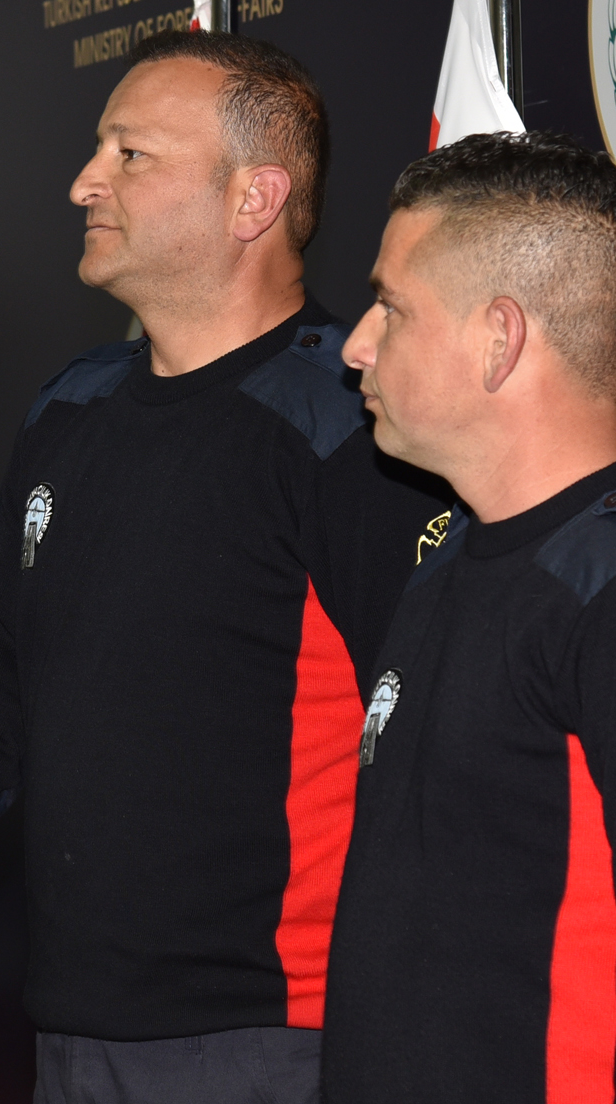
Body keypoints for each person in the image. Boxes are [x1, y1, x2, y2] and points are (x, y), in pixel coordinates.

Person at [0, 31, 449, 1102]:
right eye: (96, 149)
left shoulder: (352, 433)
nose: (84, 181)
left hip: (277, 1039)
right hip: (74, 1034)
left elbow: (440, 748)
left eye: (131, 155)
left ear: (254, 198)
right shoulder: (72, 408)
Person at [321, 132, 616, 1103]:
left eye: (392, 308)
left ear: (500, 339)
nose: (355, 344)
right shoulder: (446, 565)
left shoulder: (597, 591)